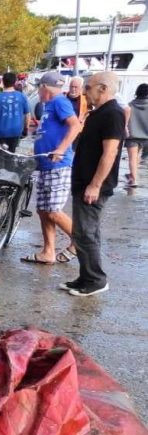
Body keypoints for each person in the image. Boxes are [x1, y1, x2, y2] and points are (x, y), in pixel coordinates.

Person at [65, 72, 125, 296]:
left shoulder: (113, 114)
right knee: (83, 232)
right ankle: (86, 276)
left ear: (102, 88)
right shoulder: (98, 112)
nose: (84, 92)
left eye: (88, 87)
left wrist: (95, 185)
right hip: (84, 180)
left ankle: (96, 280)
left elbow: (110, 153)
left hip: (93, 185)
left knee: (86, 233)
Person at [21, 71, 81, 265]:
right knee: (43, 210)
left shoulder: (59, 102)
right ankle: (48, 251)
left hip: (58, 165)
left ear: (44, 87)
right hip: (45, 164)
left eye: (39, 88)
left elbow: (75, 126)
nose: (38, 92)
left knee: (54, 210)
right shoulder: (48, 106)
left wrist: (61, 149)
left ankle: (80, 242)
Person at [0, 72, 31, 152]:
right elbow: (27, 114)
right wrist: (26, 128)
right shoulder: (21, 96)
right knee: (11, 155)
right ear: (15, 82)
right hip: (16, 131)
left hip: (0, 131)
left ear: (2, 81)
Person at [124, 83, 148, 188]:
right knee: (138, 157)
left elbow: (125, 121)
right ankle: (132, 175)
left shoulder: (129, 105)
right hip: (146, 136)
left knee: (133, 158)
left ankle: (133, 179)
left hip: (132, 136)